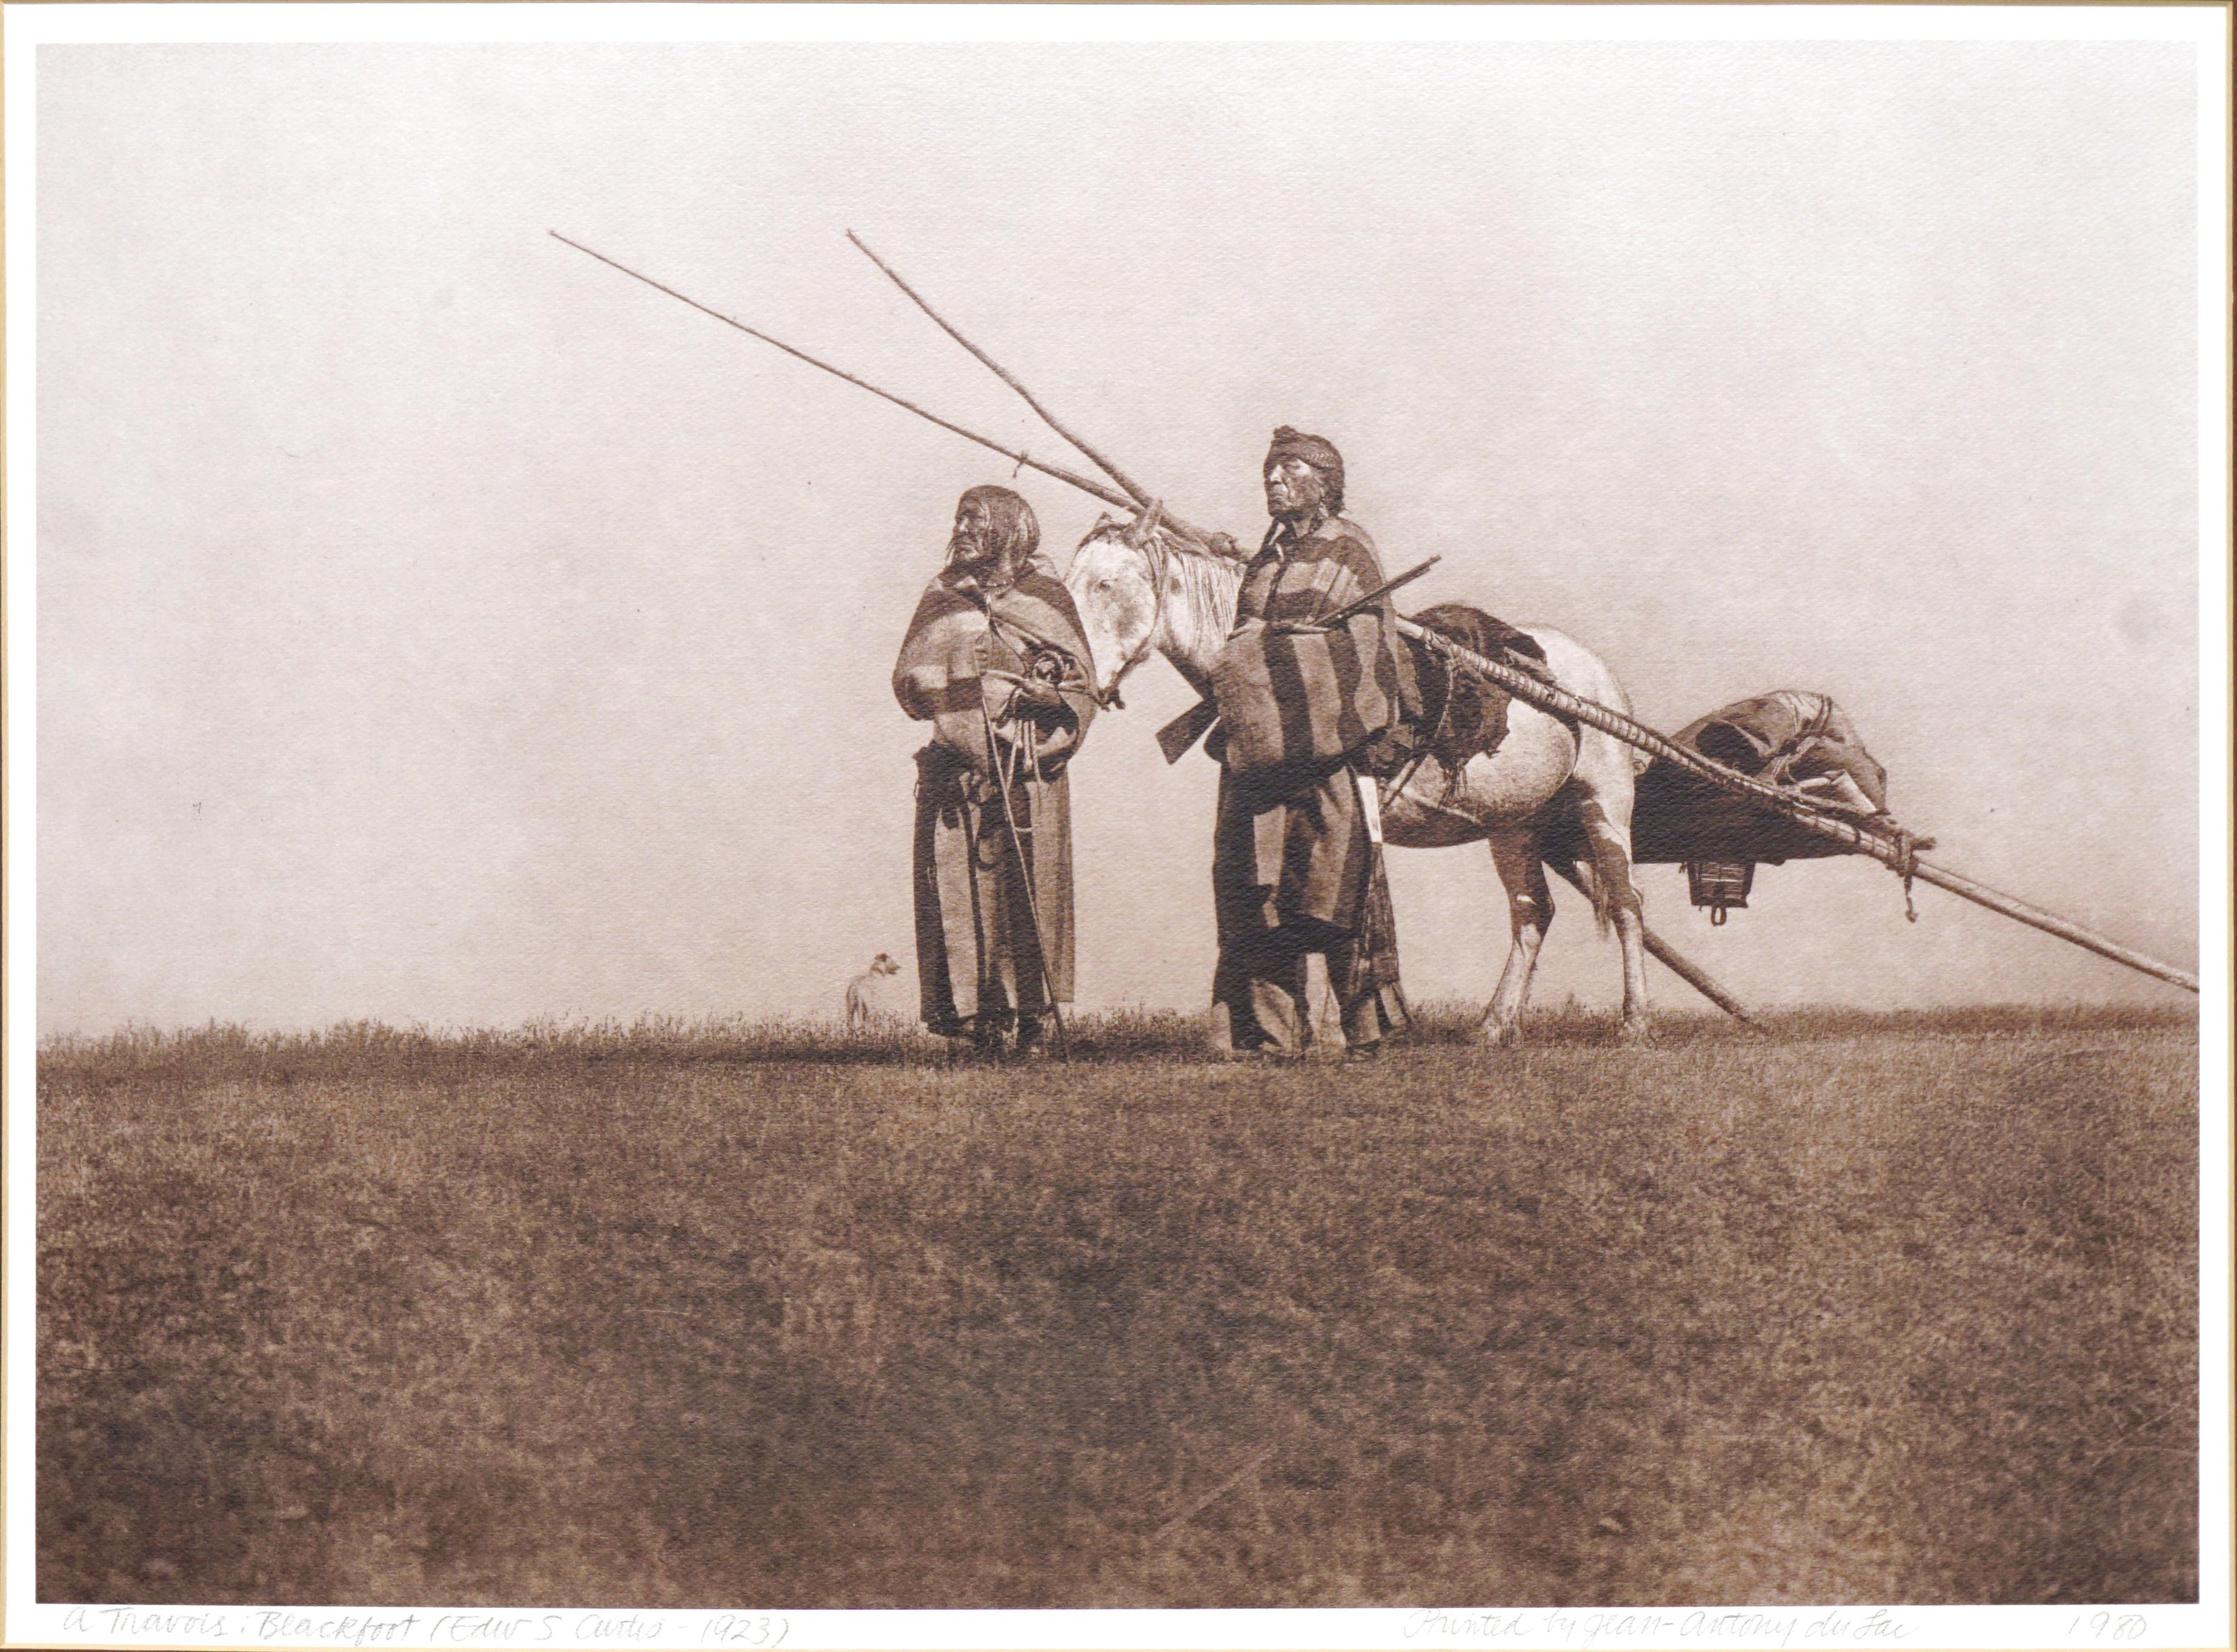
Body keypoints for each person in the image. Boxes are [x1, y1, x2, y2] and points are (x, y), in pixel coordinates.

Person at [1209, 427, 1412, 1061]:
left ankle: (1364, 1036)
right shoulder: (1264, 561)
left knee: (1336, 889)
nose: (1271, 480)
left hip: (1328, 753)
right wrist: (1262, 656)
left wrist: (1283, 650)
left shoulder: (1349, 552)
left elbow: (1369, 645)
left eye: (1288, 470)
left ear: (1323, 482)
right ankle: (1273, 1037)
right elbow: (1239, 649)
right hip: (1262, 757)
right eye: (1269, 471)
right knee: (1259, 894)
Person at [892, 485, 1098, 1056]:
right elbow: (911, 681)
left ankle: (1032, 1020)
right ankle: (980, 1023)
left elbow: (1083, 685)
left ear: (1009, 528)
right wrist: (970, 684)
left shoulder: (1047, 596)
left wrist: (1046, 696)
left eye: (974, 518)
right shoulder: (941, 597)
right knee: (961, 897)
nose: (961, 527)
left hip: (1030, 770)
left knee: (1029, 893)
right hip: (956, 775)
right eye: (958, 517)